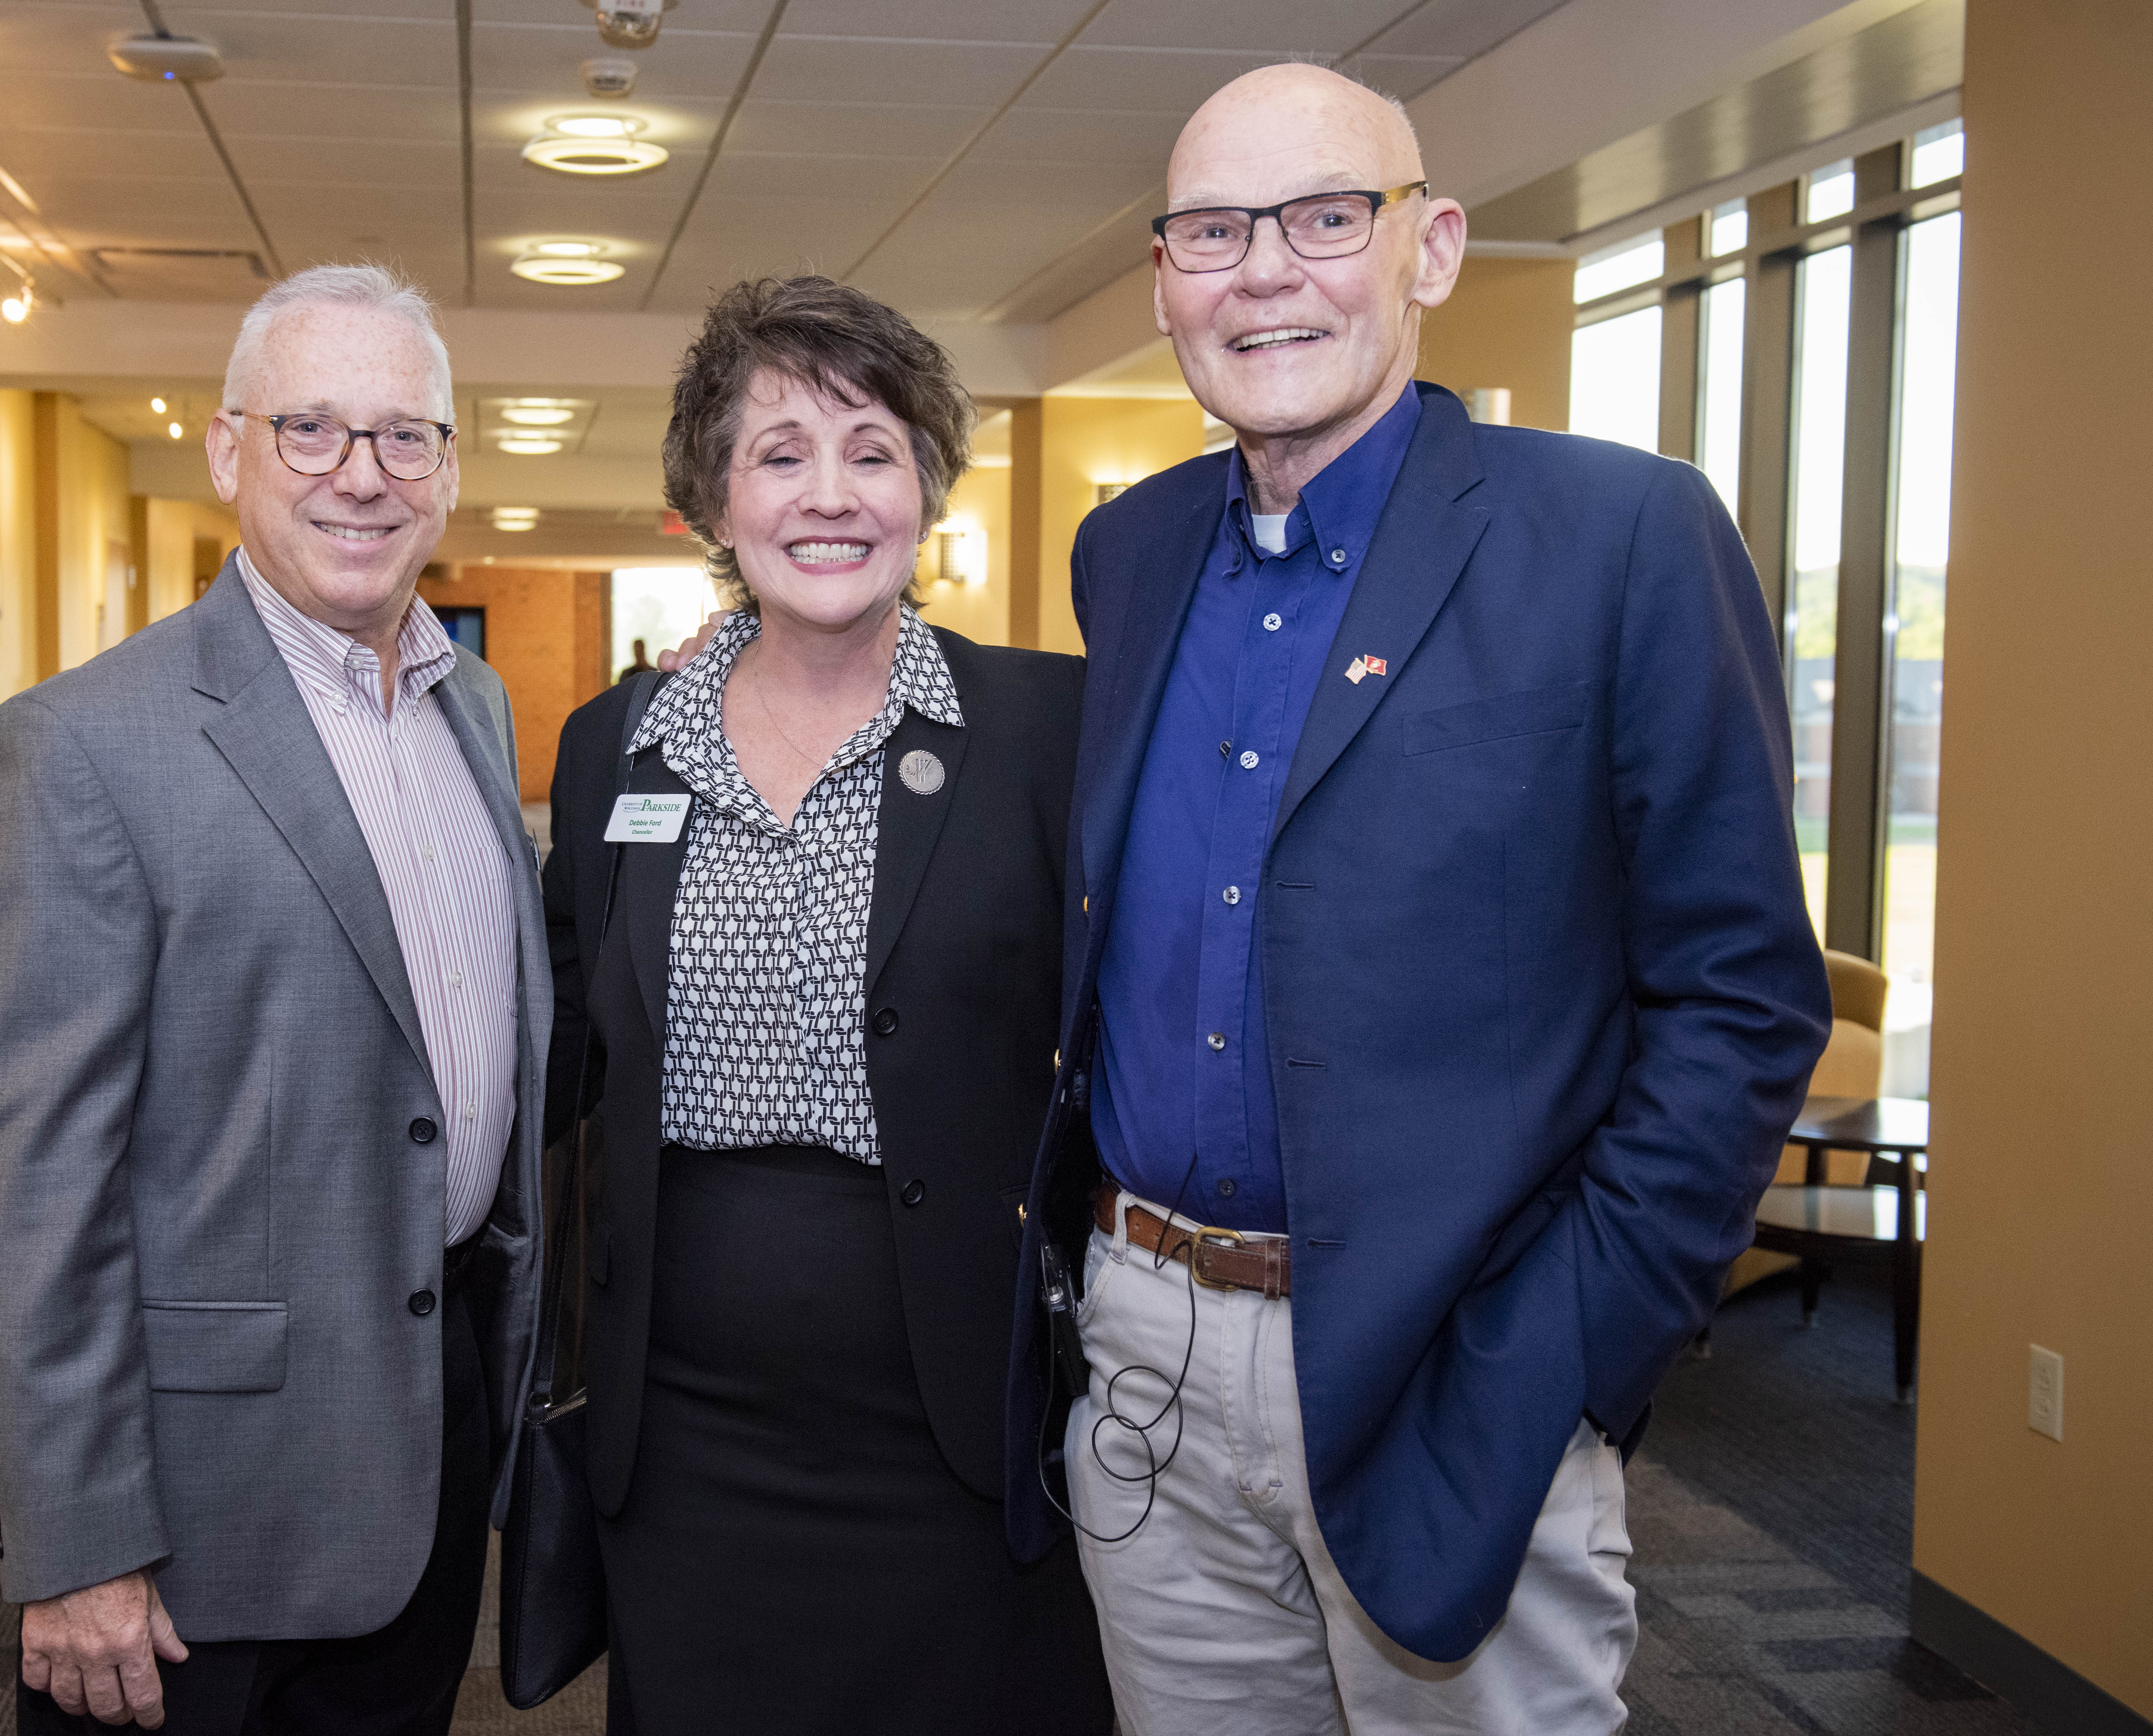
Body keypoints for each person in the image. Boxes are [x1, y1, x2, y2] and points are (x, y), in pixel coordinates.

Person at [1000, 64, 1833, 1733]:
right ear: (1163, 277)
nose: (1264, 272)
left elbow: (1741, 993)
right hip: (1149, 1353)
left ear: (1430, 247)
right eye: (1213, 232)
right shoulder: (1134, 549)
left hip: (1461, 1356)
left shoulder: (1621, 534)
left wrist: (1578, 1352)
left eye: (1323, 219)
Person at [0, 264, 550, 1736]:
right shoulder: (82, 744)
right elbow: (29, 1189)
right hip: (191, 1508)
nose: (364, 474)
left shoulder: (473, 706)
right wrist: (79, 1535)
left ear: (452, 471)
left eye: (406, 436)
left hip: (426, 1429)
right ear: (228, 452)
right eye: (312, 430)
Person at [541, 275, 1113, 1734]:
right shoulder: (619, 746)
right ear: (711, 499)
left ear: (925, 487)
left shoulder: (1046, 733)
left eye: (872, 448)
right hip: (685, 1433)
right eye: (779, 452)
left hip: (954, 1426)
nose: (830, 494)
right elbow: (573, 1051)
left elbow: (1116, 1043)